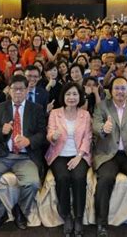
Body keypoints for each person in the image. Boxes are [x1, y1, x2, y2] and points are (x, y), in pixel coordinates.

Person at [0, 75, 46, 234]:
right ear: (9, 90)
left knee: (33, 183)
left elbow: (42, 133)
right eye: (15, 89)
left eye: (22, 89)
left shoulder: (36, 109)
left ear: (27, 90)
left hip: (25, 156)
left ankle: (19, 211)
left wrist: (29, 140)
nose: (18, 92)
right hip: (1, 154)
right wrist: (1, 131)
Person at [92, 77, 127, 237]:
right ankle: (101, 224)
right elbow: (96, 126)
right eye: (116, 88)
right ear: (110, 91)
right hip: (107, 154)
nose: (120, 91)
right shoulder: (101, 106)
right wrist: (104, 129)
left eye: (123, 88)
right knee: (105, 180)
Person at [45, 83, 92, 236]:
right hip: (59, 153)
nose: (71, 97)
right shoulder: (55, 113)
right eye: (68, 94)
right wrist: (53, 136)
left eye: (75, 94)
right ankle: (66, 216)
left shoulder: (85, 115)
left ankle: (78, 217)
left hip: (79, 154)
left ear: (80, 97)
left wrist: (79, 156)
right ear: (63, 97)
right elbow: (50, 133)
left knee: (79, 177)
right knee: (63, 177)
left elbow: (88, 137)